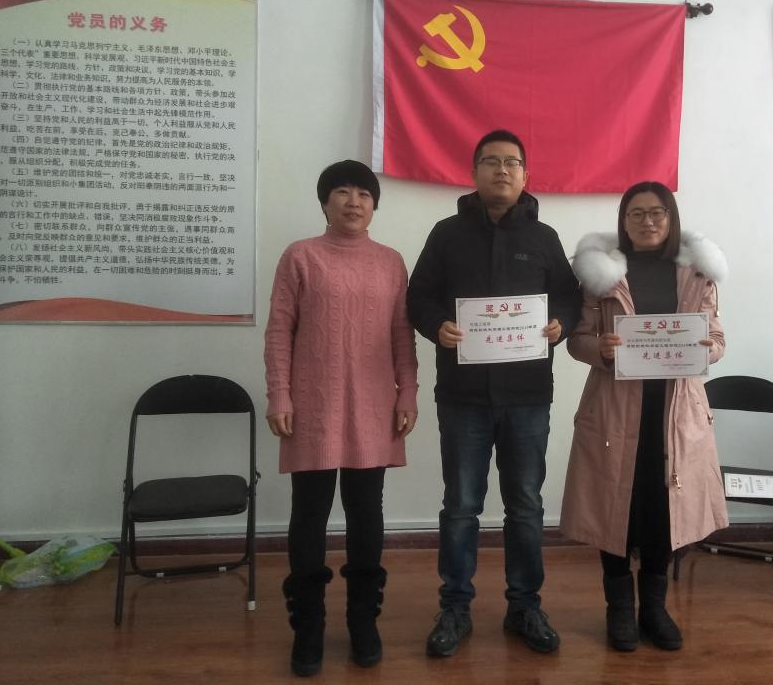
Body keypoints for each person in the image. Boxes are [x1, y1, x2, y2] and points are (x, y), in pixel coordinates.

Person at [407, 129, 581, 656]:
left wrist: (560, 324)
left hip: (528, 395)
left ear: (525, 175)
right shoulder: (446, 234)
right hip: (462, 396)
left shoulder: (544, 237)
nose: (501, 170)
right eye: (491, 162)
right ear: (474, 172)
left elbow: (569, 297)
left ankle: (525, 606)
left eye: (511, 162)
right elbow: (419, 296)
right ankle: (455, 607)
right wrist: (437, 325)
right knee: (461, 505)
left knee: (525, 505)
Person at [264, 160, 419, 677]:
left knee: (366, 511)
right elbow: (279, 331)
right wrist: (279, 395)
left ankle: (362, 621)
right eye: (343, 192)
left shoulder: (391, 262)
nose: (354, 202)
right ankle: (307, 627)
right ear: (325, 202)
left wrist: (407, 394)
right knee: (309, 513)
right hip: (311, 403)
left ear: (375, 206)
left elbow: (402, 335)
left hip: (373, 404)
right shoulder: (300, 256)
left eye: (364, 194)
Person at [559, 180, 727, 652]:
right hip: (615, 409)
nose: (647, 221)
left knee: (664, 508)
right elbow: (577, 340)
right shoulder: (601, 273)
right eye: (636, 213)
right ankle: (619, 609)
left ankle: (654, 607)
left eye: (657, 213)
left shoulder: (697, 272)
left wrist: (706, 349)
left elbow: (717, 338)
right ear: (624, 221)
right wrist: (601, 348)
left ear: (670, 218)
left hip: (674, 412)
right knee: (614, 508)